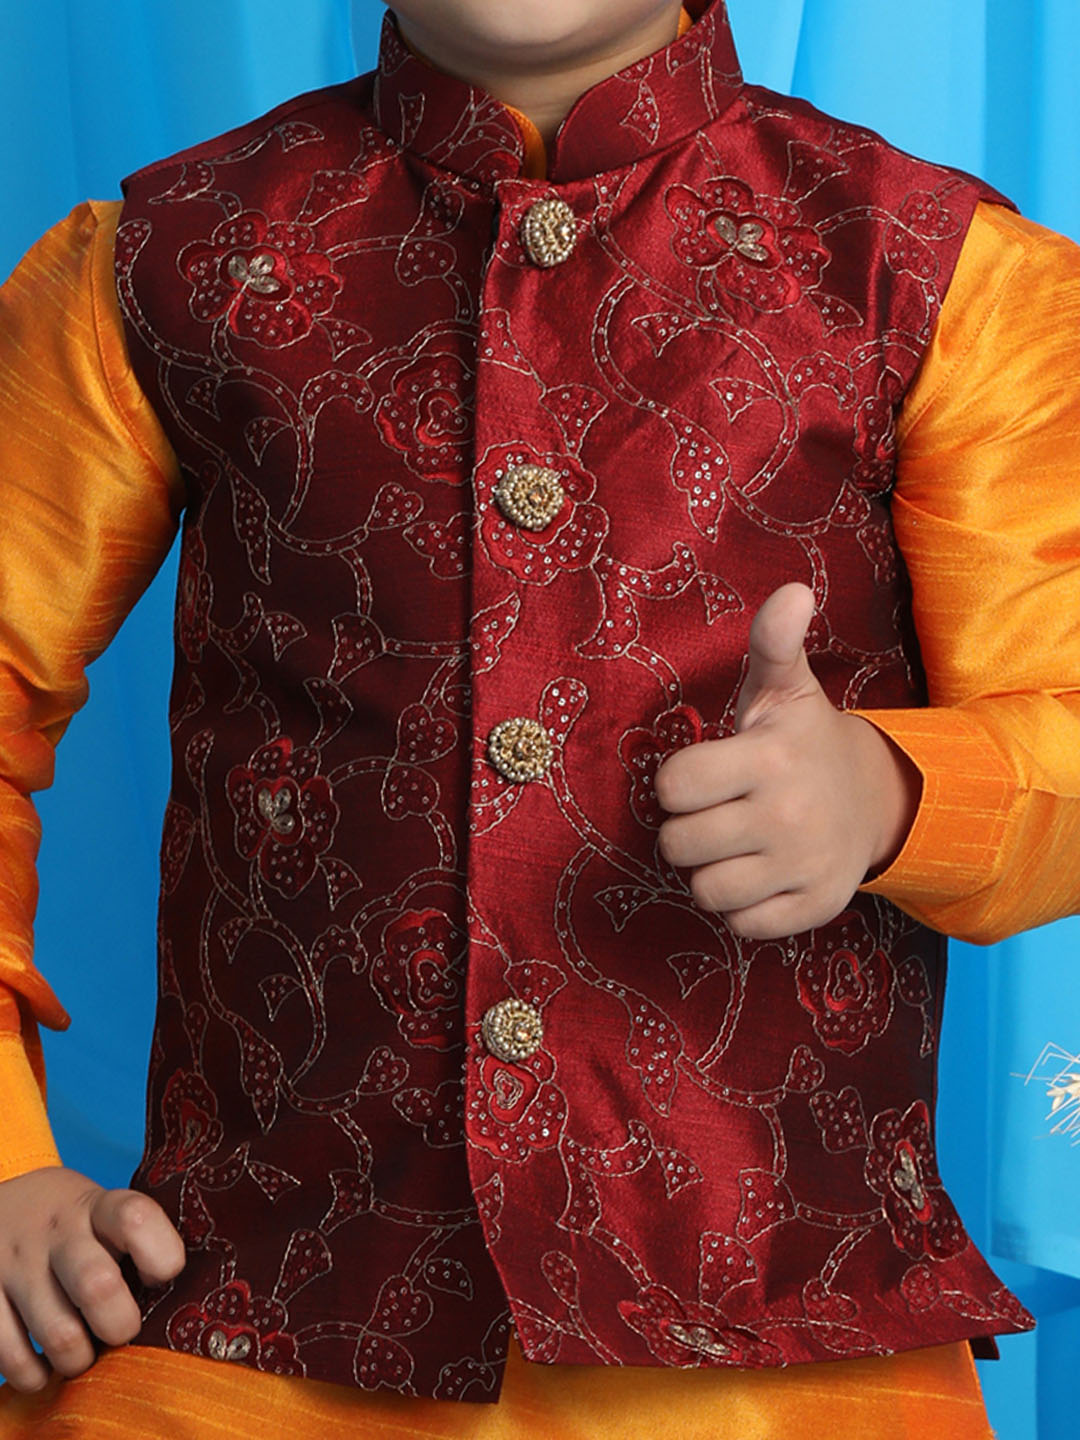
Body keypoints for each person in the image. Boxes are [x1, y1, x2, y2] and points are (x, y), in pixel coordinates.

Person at [0, 0, 1078, 1435]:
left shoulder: (936, 271)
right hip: (247, 1340)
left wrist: (889, 792)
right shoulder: (166, 257)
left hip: (788, 1358)